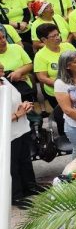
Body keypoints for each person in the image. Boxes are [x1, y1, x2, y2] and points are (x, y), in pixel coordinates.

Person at [1, 62, 36, 209]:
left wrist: (24, 105)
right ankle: (15, 196)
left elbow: (15, 100)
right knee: (12, 166)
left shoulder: (5, 81)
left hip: (21, 127)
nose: (2, 67)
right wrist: (17, 114)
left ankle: (30, 187)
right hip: (7, 134)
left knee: (25, 160)